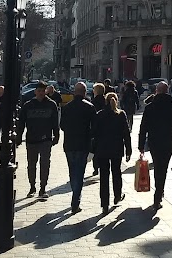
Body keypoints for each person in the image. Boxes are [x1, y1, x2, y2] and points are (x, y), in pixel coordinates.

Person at [138, 80, 172, 209]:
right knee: (163, 167)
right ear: (167, 91)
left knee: (157, 166)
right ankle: (159, 193)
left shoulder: (150, 107)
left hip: (154, 141)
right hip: (168, 141)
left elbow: (143, 127)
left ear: (156, 91)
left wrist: (141, 145)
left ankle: (158, 192)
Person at [16, 81, 59, 200]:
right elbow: (21, 123)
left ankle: (43, 188)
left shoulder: (51, 105)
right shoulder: (28, 105)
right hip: (31, 139)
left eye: (43, 91)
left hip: (46, 139)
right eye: (39, 91)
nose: (41, 93)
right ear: (35, 92)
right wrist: (19, 137)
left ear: (46, 91)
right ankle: (32, 187)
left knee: (45, 164)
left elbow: (55, 122)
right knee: (31, 164)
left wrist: (56, 136)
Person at [93, 92, 132, 214]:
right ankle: (117, 195)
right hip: (117, 148)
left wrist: (94, 150)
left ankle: (104, 204)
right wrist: (128, 150)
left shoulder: (99, 114)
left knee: (104, 177)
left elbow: (94, 133)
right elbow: (126, 133)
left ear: (105, 101)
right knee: (116, 172)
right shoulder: (121, 114)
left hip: (102, 149)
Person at [60, 81, 95, 212]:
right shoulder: (89, 107)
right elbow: (94, 128)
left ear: (75, 92)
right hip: (83, 144)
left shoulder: (67, 107)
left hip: (69, 144)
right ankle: (75, 201)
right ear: (84, 93)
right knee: (80, 172)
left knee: (72, 171)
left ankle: (75, 195)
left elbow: (62, 126)